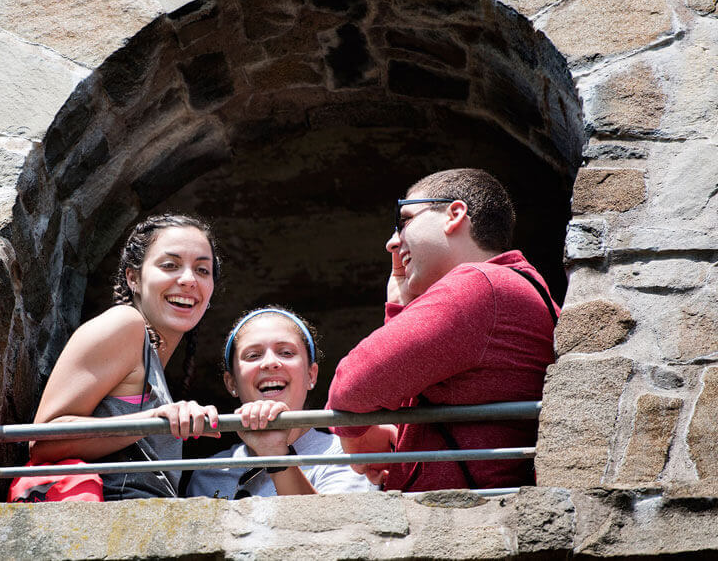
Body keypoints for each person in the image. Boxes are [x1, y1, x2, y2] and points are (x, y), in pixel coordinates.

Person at [327, 168, 559, 492]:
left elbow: (350, 387)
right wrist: (400, 306)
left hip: (464, 525)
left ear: (454, 214)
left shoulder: (480, 286)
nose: (392, 242)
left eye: (404, 220)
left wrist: (352, 440)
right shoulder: (515, 287)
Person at [29, 214, 222, 500]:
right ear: (133, 278)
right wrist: (153, 418)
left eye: (203, 270)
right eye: (170, 265)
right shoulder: (125, 324)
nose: (189, 280)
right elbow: (42, 441)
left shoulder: (153, 365)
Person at [185, 307, 372, 499]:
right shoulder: (208, 473)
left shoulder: (344, 456)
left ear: (311, 375)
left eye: (286, 352)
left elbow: (334, 528)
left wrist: (275, 453)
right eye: (253, 355)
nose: (270, 363)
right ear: (231, 383)